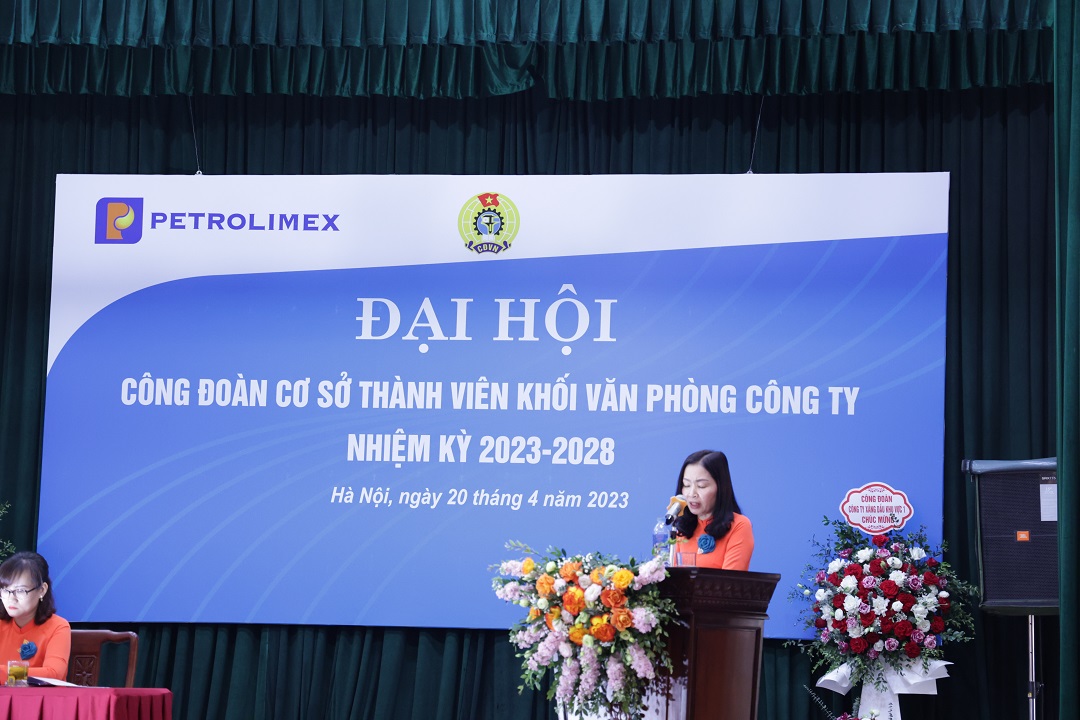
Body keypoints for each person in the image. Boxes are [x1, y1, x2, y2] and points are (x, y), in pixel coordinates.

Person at [671, 450, 754, 571]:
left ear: (720, 487)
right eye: (687, 485)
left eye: (701, 486)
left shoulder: (739, 526)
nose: (691, 493)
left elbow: (729, 580)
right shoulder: (682, 529)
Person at [0, 551, 71, 680]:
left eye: (20, 591)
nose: (11, 598)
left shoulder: (58, 627)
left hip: (40, 694)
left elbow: (53, 674)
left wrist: (5, 673)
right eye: (5, 590)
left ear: (42, 590)